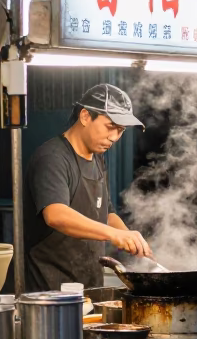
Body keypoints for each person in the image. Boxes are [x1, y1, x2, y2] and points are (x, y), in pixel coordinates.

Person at [25, 84, 152, 291]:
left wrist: (132, 240)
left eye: (121, 130)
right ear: (85, 116)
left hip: (89, 287)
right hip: (51, 293)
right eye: (111, 126)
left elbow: (106, 213)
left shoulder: (97, 159)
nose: (114, 137)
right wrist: (113, 235)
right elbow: (56, 214)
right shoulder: (52, 158)